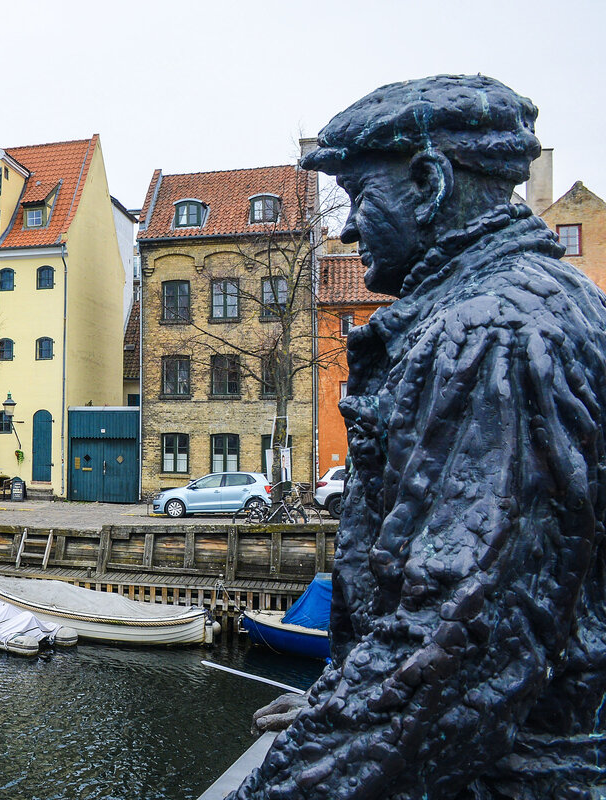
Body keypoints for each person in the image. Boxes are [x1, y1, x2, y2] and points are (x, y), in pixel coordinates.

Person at [229, 75, 606, 800]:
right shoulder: (552, 300)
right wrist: (336, 706)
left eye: (363, 197)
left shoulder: (491, 332)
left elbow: (455, 637)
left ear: (430, 182)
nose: (347, 229)